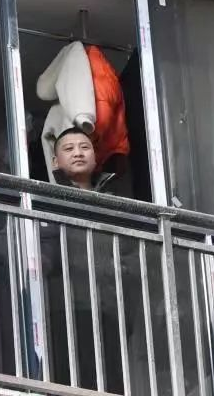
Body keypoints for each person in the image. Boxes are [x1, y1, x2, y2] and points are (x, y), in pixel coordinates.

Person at [42, 128, 134, 393]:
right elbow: (44, 250)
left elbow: (130, 252)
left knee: (111, 382)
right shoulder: (49, 199)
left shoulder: (112, 203)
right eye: (69, 149)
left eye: (84, 147)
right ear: (55, 161)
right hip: (68, 308)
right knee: (73, 381)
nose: (78, 153)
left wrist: (125, 271)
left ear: (95, 157)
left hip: (111, 309)